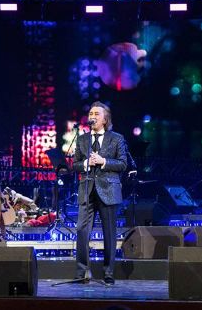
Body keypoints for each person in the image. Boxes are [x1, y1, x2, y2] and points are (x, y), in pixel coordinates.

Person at [72, 101, 127, 285]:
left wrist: (103, 161)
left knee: (109, 232)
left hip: (108, 190)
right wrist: (85, 164)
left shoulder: (116, 138)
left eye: (96, 114)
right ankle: (81, 272)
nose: (92, 117)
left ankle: (108, 273)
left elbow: (123, 164)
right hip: (87, 189)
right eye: (90, 114)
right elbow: (75, 164)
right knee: (82, 230)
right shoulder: (82, 139)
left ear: (105, 119)